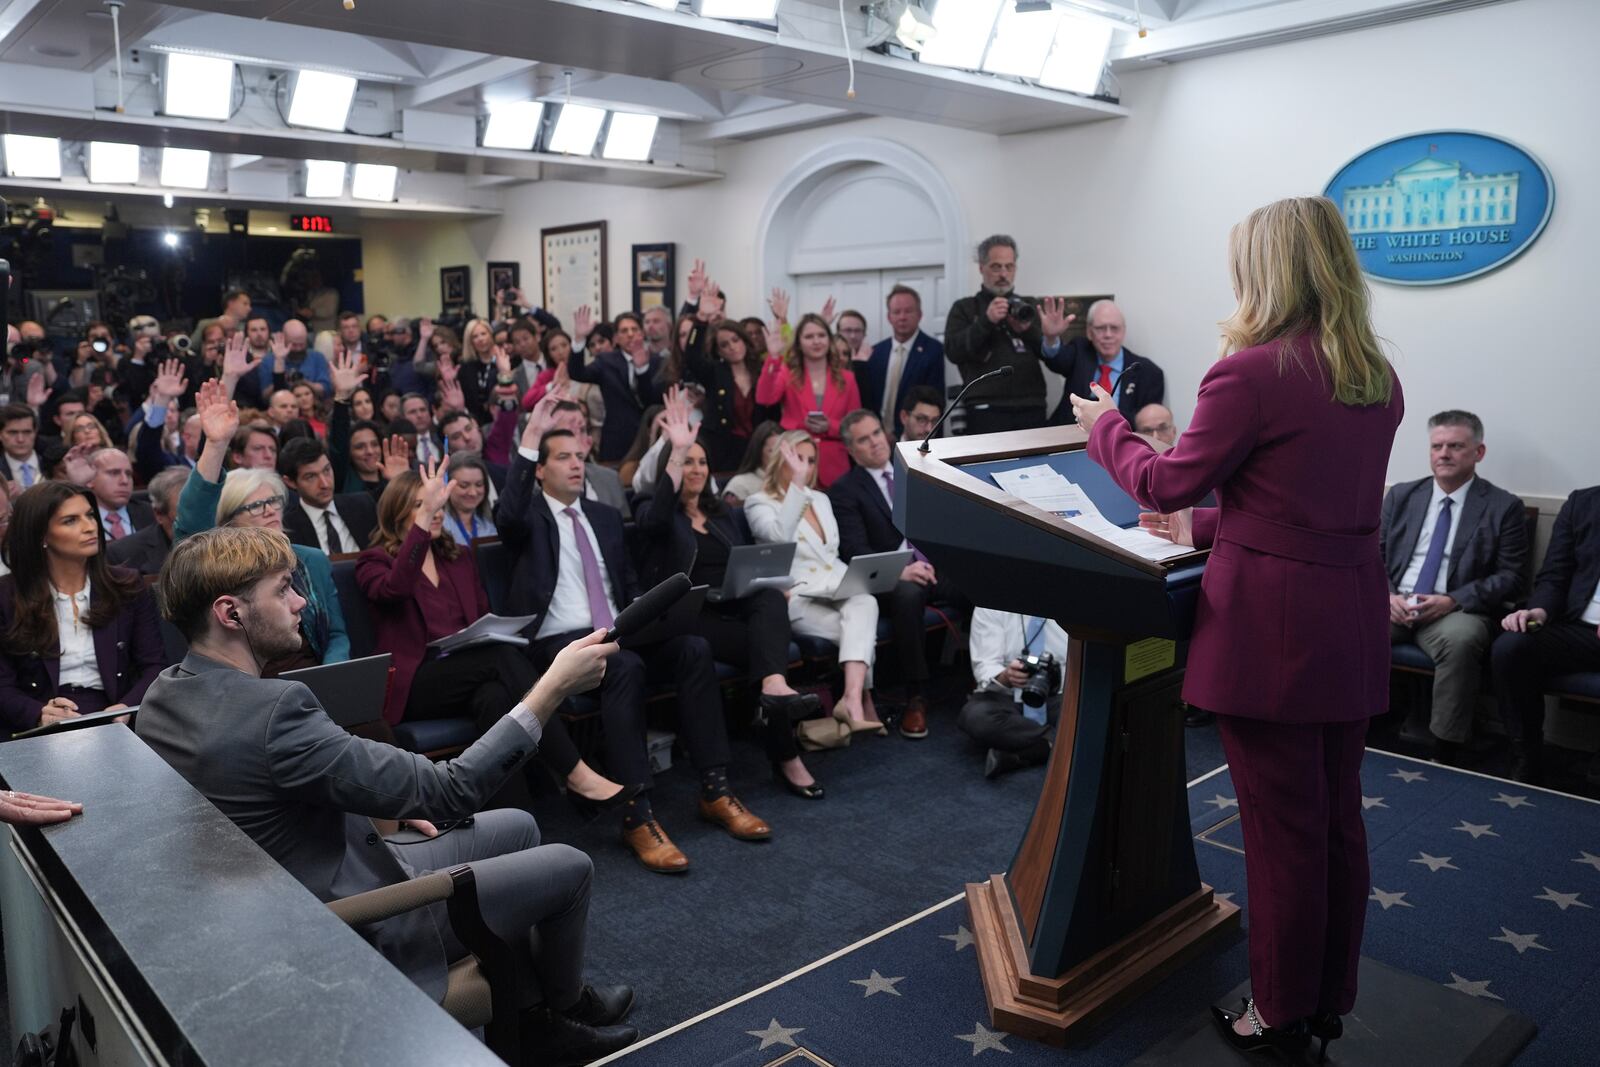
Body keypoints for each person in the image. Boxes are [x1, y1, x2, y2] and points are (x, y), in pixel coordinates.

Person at [1070, 195, 1403, 1058]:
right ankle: (1328, 995)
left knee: (1279, 829)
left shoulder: (1252, 372)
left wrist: (1102, 425)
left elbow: (1168, 479)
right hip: (1349, 622)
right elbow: (1318, 506)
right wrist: (1218, 527)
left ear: (1267, 270)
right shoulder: (1373, 373)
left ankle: (1279, 1009)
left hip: (1275, 637)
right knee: (1336, 822)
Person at [135, 527, 639, 1064]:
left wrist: (375, 806)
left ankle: (533, 1014)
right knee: (569, 864)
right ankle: (557, 1016)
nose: (300, 601)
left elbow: (258, 794)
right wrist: (553, 686)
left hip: (273, 906)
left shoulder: (163, 696)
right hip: (347, 922)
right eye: (283, 589)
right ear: (231, 613)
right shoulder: (276, 711)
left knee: (516, 825)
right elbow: (452, 790)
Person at [497, 419, 774, 871]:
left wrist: (651, 618)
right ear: (540, 470)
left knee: (692, 648)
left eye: (579, 456)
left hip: (616, 633)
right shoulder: (528, 517)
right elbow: (506, 515)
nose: (575, 464)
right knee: (624, 666)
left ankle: (715, 787)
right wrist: (528, 441)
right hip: (558, 645)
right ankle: (635, 811)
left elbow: (625, 586)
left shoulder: (606, 517)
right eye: (562, 457)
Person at [640, 410, 825, 799]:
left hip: (732, 604)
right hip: (691, 615)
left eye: (701, 461)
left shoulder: (720, 512)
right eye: (686, 461)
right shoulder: (653, 511)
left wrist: (764, 579)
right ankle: (786, 756)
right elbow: (653, 521)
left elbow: (745, 560)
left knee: (772, 596)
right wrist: (676, 447)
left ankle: (774, 689)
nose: (695, 468)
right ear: (671, 467)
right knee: (766, 653)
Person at [1381, 410, 1526, 763]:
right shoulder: (1402, 496)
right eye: (1437, 446)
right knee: (1349, 626)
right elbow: (1373, 555)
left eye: (1455, 446)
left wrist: (1452, 600)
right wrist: (1385, 596)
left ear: (1479, 452)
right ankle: (1348, 724)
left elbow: (1511, 576)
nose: (1443, 454)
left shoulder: (1502, 506)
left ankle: (1445, 748)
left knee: (1462, 641)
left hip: (1457, 610)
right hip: (1397, 601)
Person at [175, 380, 349, 673]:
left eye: (274, 502)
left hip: (316, 684)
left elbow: (335, 635)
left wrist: (329, 678)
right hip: (248, 689)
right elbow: (190, 527)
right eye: (256, 506)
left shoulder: (311, 560)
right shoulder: (217, 571)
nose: (270, 511)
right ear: (229, 521)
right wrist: (216, 445)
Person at [831, 409, 964, 739]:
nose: (875, 442)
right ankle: (915, 696)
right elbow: (855, 552)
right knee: (907, 595)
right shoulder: (846, 490)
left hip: (933, 565)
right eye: (864, 439)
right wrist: (902, 571)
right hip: (892, 580)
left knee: (978, 582)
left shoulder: (912, 469)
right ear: (851, 449)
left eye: (876, 433)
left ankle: (987, 679)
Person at [746, 431, 882, 738]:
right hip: (797, 597)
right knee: (860, 632)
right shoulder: (758, 502)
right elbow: (779, 537)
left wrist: (853, 579)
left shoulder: (820, 498)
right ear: (781, 458)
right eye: (797, 459)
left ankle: (850, 698)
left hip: (835, 587)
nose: (804, 467)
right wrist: (795, 486)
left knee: (866, 602)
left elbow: (831, 555)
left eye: (809, 460)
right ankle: (862, 699)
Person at [0, 482, 165, 735]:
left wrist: (126, 707)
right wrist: (38, 713)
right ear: (41, 535)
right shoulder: (7, 595)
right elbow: (3, 685)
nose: (90, 526)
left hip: (117, 717)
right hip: (40, 724)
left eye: (89, 515)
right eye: (70, 521)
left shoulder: (127, 585)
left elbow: (155, 665)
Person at [1492, 485, 1600, 784]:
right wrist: (1538, 611)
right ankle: (1526, 756)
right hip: (1579, 627)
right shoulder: (1582, 503)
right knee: (1512, 646)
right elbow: (1555, 574)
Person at [943, 236, 1074, 434]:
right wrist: (986, 321)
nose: (1003, 274)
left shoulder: (1029, 306)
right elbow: (953, 352)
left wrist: (1047, 337)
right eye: (996, 267)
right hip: (984, 410)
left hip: (1032, 408)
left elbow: (1059, 365)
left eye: (1009, 266)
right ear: (981, 267)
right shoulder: (965, 308)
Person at [756, 313, 861, 488]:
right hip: (796, 462)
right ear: (799, 342)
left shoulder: (847, 378)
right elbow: (764, 398)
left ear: (829, 340)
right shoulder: (787, 373)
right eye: (809, 336)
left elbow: (855, 425)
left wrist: (830, 426)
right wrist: (774, 358)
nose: (816, 341)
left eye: (821, 335)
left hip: (835, 468)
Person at [959, 608, 1066, 779]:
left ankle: (1030, 753)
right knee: (975, 717)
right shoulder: (990, 602)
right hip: (1007, 693)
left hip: (1058, 693)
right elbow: (985, 665)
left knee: (1095, 716)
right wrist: (1006, 676)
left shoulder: (1073, 602)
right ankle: (1057, 742)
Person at [680, 288, 777, 473]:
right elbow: (691, 357)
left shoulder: (762, 369)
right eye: (725, 344)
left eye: (735, 340)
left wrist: (782, 319)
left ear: (744, 341)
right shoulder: (715, 372)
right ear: (718, 351)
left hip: (759, 451)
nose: (732, 347)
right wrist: (701, 319)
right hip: (723, 452)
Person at [1044, 299, 1166, 426]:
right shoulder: (1080, 351)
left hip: (1119, 441)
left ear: (1124, 331)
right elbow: (1057, 361)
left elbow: (1147, 424)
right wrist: (1051, 338)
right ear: (1089, 332)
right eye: (1101, 328)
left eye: (1114, 328)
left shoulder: (1147, 372)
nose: (1108, 335)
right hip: (1069, 437)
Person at [566, 308, 663, 462]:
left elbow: (652, 401)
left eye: (634, 329)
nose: (630, 334)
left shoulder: (657, 361)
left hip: (649, 438)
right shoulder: (606, 361)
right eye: (624, 331)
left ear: (642, 333)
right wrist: (578, 340)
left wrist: (642, 370)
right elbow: (577, 373)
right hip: (616, 441)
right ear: (616, 338)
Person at [861, 285, 946, 432]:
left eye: (908, 311)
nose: (902, 317)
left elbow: (934, 402)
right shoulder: (876, 352)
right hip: (878, 436)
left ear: (919, 314)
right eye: (897, 312)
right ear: (889, 317)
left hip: (914, 437)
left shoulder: (933, 350)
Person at [278, 438, 379, 555]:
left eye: (326, 470)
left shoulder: (363, 505)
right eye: (311, 477)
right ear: (290, 482)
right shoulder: (287, 529)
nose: (325, 484)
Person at [107, 467, 188, 576]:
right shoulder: (122, 555)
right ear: (158, 514)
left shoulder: (216, 541)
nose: (196, 519)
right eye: (186, 512)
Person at [87, 448, 153, 541]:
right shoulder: (81, 518)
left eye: (129, 474)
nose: (124, 481)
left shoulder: (150, 514)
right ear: (90, 478)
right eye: (114, 473)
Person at [442, 450, 498, 546]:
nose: (473, 493)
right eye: (464, 485)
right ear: (447, 484)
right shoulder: (438, 524)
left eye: (479, 485)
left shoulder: (490, 524)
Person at [720, 421, 783, 506]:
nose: (778, 456)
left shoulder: (790, 482)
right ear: (758, 451)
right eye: (772, 451)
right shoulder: (740, 485)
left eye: (781, 451)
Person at [0, 403, 42, 490]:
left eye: (27, 432)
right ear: (1, 434)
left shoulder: (53, 465)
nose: (20, 439)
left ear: (35, 433)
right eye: (12, 432)